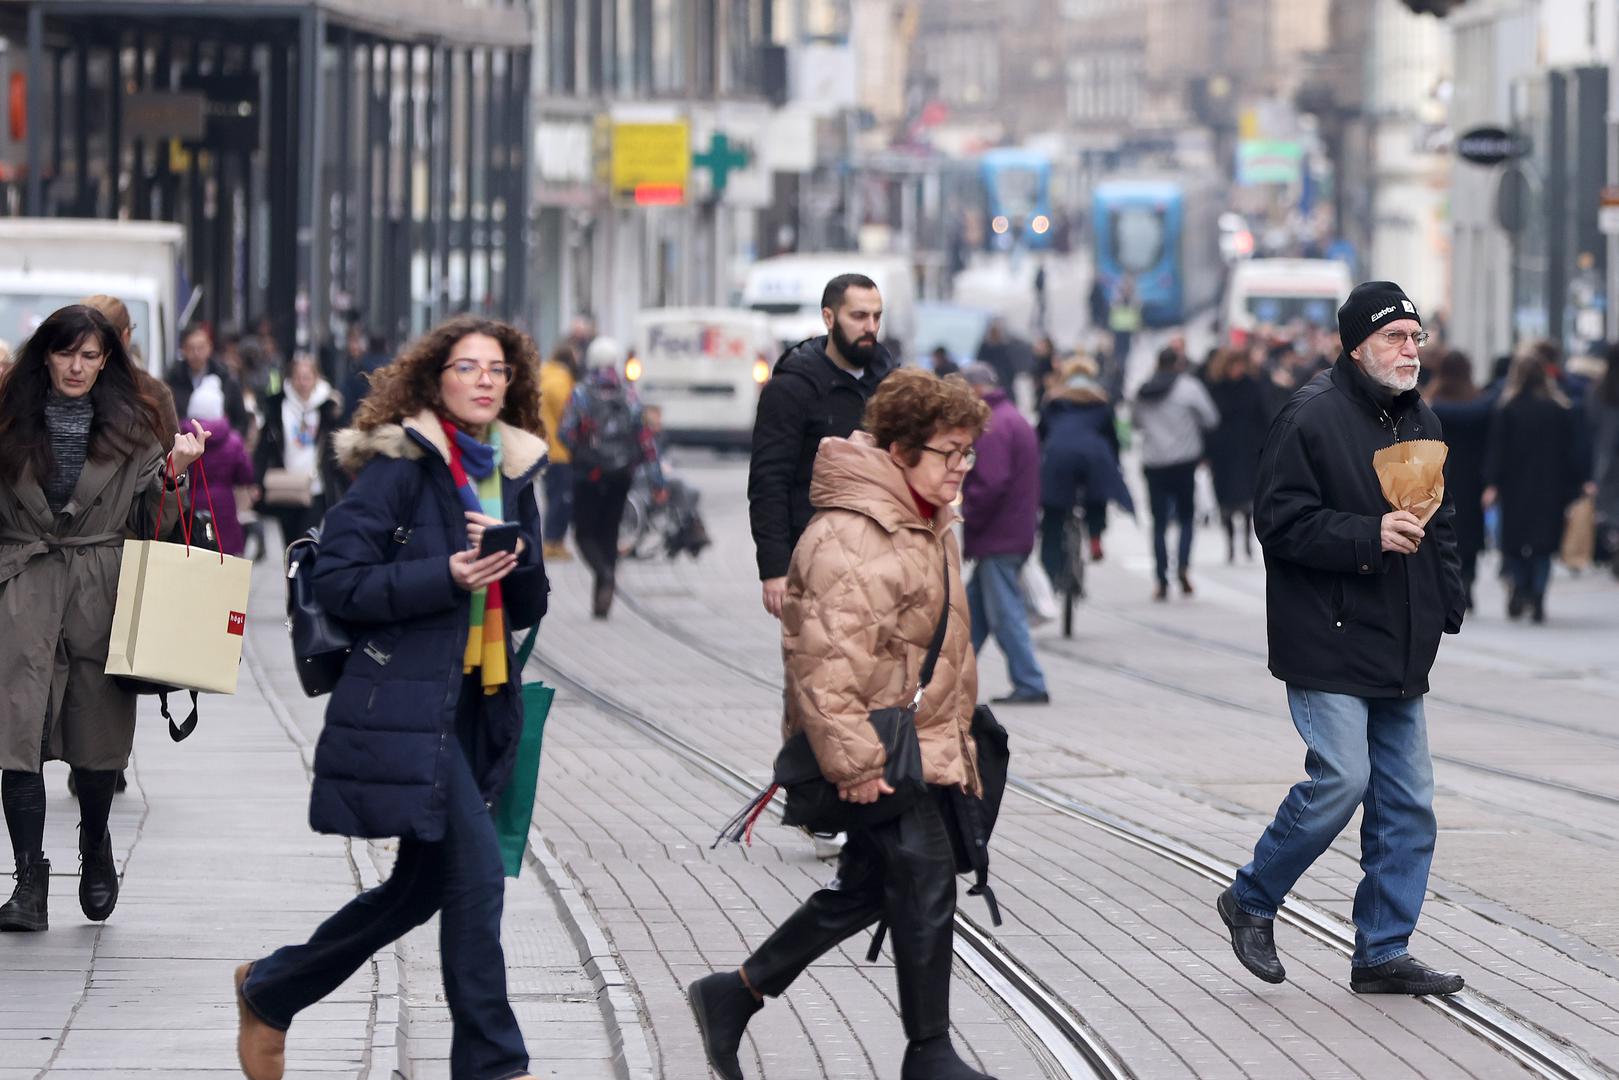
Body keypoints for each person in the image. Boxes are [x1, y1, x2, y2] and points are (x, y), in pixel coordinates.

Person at [234, 315, 549, 1080]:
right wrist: (445, 575)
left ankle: (273, 990)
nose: (482, 379)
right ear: (433, 380)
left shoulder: (512, 471)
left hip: (476, 707)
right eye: (467, 367)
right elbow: (338, 580)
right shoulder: (399, 467)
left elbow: (533, 599)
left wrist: (512, 560)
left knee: (417, 892)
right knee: (475, 883)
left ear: (512, 384)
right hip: (407, 708)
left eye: (496, 369)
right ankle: (494, 1065)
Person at [687, 369, 995, 1080]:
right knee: (924, 886)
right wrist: (855, 762)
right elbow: (822, 661)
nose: (960, 469)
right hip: (878, 746)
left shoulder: (923, 523)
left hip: (912, 743)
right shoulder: (852, 536)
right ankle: (929, 1055)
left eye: (966, 453)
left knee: (866, 890)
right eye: (948, 453)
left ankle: (732, 995)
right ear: (898, 449)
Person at [1218, 281, 1468, 997]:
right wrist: (1366, 536)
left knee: (1409, 803)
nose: (1409, 350)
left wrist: (1445, 603)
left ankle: (1381, 951)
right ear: (1356, 344)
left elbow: (1440, 524)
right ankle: (1251, 897)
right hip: (1326, 635)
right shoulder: (1310, 415)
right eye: (1395, 337)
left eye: (1415, 337)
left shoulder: (1421, 419)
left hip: (1401, 641)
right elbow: (1280, 521)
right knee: (1342, 780)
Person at [0, 305, 209, 932]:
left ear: (107, 361)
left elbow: (153, 525)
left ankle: (95, 845)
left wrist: (176, 476)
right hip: (22, 588)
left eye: (91, 356)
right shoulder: (8, 420)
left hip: (100, 590)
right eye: (67, 353)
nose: (77, 366)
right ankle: (28, 881)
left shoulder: (133, 427)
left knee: (97, 745)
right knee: (16, 739)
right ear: (46, 355)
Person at [748, 274, 896, 619]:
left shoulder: (891, 384)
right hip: (816, 561)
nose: (870, 326)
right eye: (858, 316)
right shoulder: (792, 388)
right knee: (824, 667)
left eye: (876, 316)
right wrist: (774, 569)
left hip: (882, 559)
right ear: (829, 318)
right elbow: (769, 481)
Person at [959, 363, 1049, 706]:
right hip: (1011, 531)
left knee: (1004, 612)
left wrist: (967, 516)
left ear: (975, 390)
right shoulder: (1012, 416)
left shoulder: (993, 426)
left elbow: (990, 483)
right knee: (973, 614)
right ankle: (947, 677)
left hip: (999, 535)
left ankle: (1030, 681)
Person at [1484, 347, 1591, 623]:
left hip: (1515, 485)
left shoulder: (1507, 408)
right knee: (1543, 545)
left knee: (1514, 542)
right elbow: (1573, 451)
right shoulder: (1560, 408)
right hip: (1551, 486)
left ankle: (1520, 585)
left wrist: (1492, 483)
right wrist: (1579, 482)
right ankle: (1539, 594)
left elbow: (1497, 450)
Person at [560, 337, 660, 619]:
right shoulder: (629, 394)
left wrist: (580, 451)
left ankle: (603, 574)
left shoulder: (581, 393)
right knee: (610, 532)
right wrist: (657, 482)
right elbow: (645, 439)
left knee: (583, 533)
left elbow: (565, 433)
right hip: (621, 474)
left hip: (588, 473)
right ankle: (602, 600)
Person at [1132, 346, 1219, 599]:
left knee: (1158, 523)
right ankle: (1182, 566)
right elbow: (1211, 418)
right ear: (1178, 364)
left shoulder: (1143, 390)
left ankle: (1160, 578)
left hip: (1153, 462)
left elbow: (1136, 422)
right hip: (1183, 462)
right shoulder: (1189, 388)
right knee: (1185, 518)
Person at [1038, 355, 1131, 574]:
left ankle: (1051, 574)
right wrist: (1115, 466)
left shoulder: (1053, 401)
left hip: (1059, 456)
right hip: (1093, 457)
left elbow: (1041, 435)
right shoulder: (1101, 401)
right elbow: (1112, 440)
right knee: (1096, 495)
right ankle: (1096, 535)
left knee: (1053, 514)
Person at [1425, 350, 1494, 608]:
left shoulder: (1431, 403)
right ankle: (1468, 580)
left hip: (1439, 474)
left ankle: (1448, 583)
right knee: (1471, 532)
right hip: (1472, 477)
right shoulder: (1479, 403)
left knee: (1443, 530)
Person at [253, 353, 342, 549]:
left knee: (307, 541)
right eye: (298, 377)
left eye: (307, 377)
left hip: (316, 487)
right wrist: (256, 480)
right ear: (291, 379)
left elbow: (336, 449)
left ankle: (304, 579)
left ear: (316, 379)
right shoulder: (277, 407)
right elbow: (264, 448)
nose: (302, 383)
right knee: (290, 544)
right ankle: (294, 580)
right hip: (286, 485)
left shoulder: (327, 409)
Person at [1203, 348, 1270, 563]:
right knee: (1226, 500)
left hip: (1248, 450)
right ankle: (1230, 542)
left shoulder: (1252, 386)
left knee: (1248, 498)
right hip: (1223, 452)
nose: (1237, 370)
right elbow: (1209, 422)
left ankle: (1248, 542)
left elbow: (1263, 416)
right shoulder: (1216, 389)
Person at [185, 377, 258, 558]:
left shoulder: (182, 438)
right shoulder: (233, 441)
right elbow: (246, 475)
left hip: (189, 503)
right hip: (223, 507)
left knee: (191, 555)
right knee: (223, 560)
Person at [166, 324, 250, 435]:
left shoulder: (226, 380)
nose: (196, 353)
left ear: (209, 348)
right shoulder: (173, 380)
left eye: (200, 348)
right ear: (183, 350)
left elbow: (240, 420)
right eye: (191, 348)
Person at [538, 341, 580, 561]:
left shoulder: (544, 375)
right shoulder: (560, 382)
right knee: (560, 499)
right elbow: (570, 413)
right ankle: (553, 543)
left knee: (553, 496)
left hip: (545, 447)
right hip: (560, 450)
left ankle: (553, 541)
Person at [1589, 344, 1619, 573]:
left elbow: (1590, 427)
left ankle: (1613, 541)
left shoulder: (1599, 390)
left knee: (1610, 508)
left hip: (1606, 459)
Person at [338, 325, 392, 426]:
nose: (353, 347)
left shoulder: (359, 368)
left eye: (356, 342)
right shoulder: (391, 367)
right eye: (351, 341)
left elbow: (347, 402)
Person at [1106, 276, 1142, 401]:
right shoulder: (1117, 300)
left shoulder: (1133, 301)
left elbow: (1136, 317)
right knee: (1118, 358)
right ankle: (1116, 381)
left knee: (1124, 359)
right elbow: (1112, 317)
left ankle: (1121, 379)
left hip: (1127, 334)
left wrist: (1136, 332)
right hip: (1118, 333)